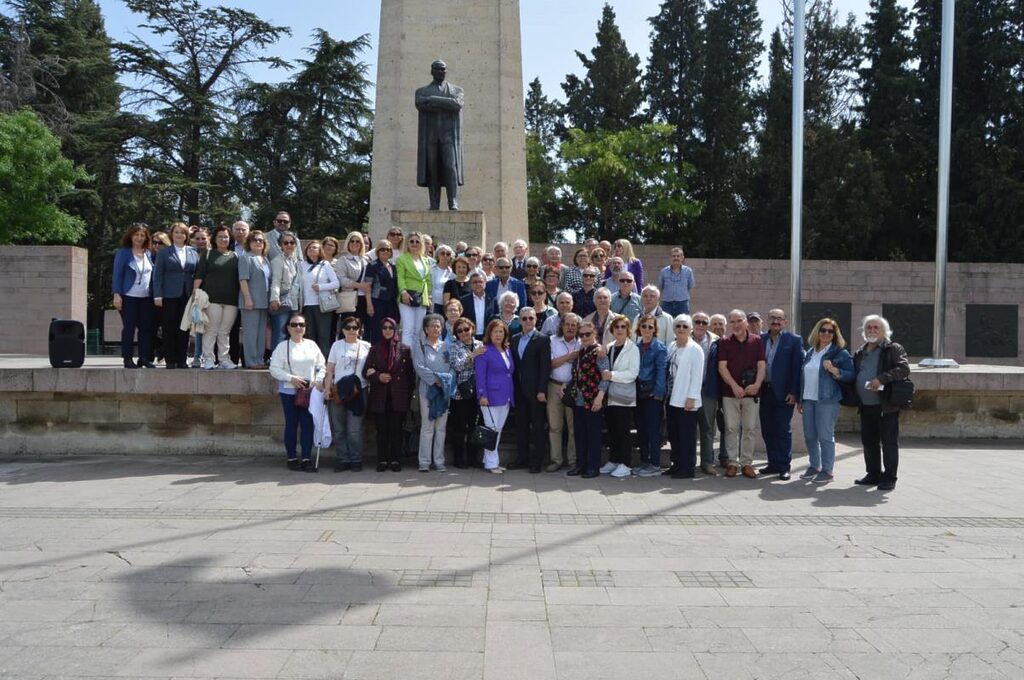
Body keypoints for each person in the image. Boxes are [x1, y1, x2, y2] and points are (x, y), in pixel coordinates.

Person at [852, 315, 910, 491]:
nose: (872, 330)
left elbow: (903, 368)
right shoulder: (860, 352)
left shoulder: (893, 349)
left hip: (886, 405)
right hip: (866, 405)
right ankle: (873, 474)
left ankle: (889, 477)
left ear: (884, 331)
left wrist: (881, 379)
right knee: (869, 442)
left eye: (876, 327)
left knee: (889, 443)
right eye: (868, 327)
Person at [798, 317, 855, 485]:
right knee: (809, 436)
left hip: (827, 400)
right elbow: (803, 377)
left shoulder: (840, 352)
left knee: (825, 436)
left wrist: (834, 370)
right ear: (818, 332)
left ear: (835, 334)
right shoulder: (810, 352)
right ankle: (814, 466)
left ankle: (827, 470)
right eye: (823, 330)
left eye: (830, 331)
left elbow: (851, 375)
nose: (826, 334)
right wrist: (801, 398)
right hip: (808, 399)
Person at [268, 314, 326, 472]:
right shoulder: (282, 346)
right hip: (289, 390)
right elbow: (274, 368)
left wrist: (317, 380)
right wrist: (290, 378)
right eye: (294, 325)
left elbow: (322, 365)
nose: (298, 328)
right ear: (288, 328)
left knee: (308, 425)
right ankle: (292, 457)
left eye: (301, 324)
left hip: (309, 391)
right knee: (291, 425)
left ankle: (306, 458)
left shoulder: (312, 345)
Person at [717, 309, 766, 478]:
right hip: (730, 393)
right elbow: (722, 367)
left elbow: (761, 365)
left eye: (739, 321)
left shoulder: (757, 341)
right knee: (731, 428)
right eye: (733, 322)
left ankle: (746, 463)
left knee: (749, 429)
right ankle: (732, 462)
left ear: (746, 322)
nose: (736, 325)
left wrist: (757, 384)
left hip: (752, 393)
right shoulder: (725, 342)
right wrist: (734, 386)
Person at [758, 308, 805, 480]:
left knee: (782, 430)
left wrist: (794, 392)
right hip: (764, 391)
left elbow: (797, 368)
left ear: (785, 322)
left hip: (785, 393)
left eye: (779, 318)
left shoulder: (793, 340)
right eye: (772, 318)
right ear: (767, 320)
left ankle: (784, 466)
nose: (775, 321)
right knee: (767, 429)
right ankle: (773, 464)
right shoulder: (760, 339)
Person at [364, 318, 414, 472]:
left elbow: (409, 376)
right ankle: (382, 460)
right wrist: (378, 376)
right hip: (381, 395)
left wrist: (409, 396)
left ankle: (395, 460)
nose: (387, 330)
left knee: (396, 429)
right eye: (384, 327)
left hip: (398, 396)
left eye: (390, 328)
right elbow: (365, 371)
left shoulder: (404, 349)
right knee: (382, 430)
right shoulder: (374, 349)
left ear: (395, 330)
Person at [415, 59, 464, 210]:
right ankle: (434, 204)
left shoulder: (456, 90)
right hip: (430, 137)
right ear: (432, 71)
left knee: (451, 168)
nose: (441, 72)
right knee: (432, 170)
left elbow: (456, 104)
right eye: (437, 69)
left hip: (449, 137)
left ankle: (453, 202)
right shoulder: (421, 91)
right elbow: (420, 104)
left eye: (443, 69)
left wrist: (433, 101)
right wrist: (445, 104)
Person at [325, 316, 371, 472]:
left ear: (359, 330)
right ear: (343, 329)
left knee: (354, 429)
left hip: (359, 390)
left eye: (355, 327)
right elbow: (330, 369)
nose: (352, 330)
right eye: (348, 327)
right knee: (338, 428)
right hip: (339, 390)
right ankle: (342, 459)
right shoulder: (336, 346)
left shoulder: (366, 346)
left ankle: (356, 459)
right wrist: (327, 389)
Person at [509, 307, 551, 473]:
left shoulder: (542, 339)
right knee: (521, 426)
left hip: (536, 392)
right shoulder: (514, 338)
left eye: (530, 318)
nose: (527, 321)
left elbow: (545, 367)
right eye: (524, 318)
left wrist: (542, 390)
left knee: (538, 427)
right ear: (519, 321)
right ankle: (522, 458)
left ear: (536, 320)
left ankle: (537, 461)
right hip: (519, 390)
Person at [193, 225, 241, 370]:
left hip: (231, 301)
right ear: (214, 238)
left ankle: (224, 359)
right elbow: (199, 276)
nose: (223, 239)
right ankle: (208, 359)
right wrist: (195, 295)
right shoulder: (208, 254)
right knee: (211, 330)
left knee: (224, 331)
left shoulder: (235, 256)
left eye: (226, 236)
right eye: (220, 236)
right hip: (211, 299)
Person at [153, 222, 198, 369]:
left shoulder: (193, 252)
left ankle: (182, 359)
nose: (179, 235)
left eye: (182, 232)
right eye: (176, 232)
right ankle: (170, 359)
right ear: (172, 235)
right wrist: (157, 295)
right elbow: (158, 275)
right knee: (169, 327)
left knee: (184, 328)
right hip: (169, 295)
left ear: (187, 235)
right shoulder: (164, 252)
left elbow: (196, 274)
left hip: (187, 294)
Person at [665, 314, 705, 479]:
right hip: (671, 396)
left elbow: (697, 375)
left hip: (686, 399)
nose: (681, 329)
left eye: (685, 326)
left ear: (690, 330)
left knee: (687, 435)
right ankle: (677, 464)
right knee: (674, 433)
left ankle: (687, 468)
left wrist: (692, 397)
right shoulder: (672, 346)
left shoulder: (695, 349)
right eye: (678, 326)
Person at [568, 320, 610, 478]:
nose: (584, 337)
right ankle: (580, 465)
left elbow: (605, 377)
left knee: (593, 435)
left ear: (594, 334)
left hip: (593, 400)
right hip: (578, 400)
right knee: (580, 435)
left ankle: (593, 467)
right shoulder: (580, 352)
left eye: (588, 334)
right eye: (581, 334)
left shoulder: (599, 352)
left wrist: (599, 398)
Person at [112, 223, 156, 369]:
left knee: (145, 329)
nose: (139, 238)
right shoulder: (123, 253)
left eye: (142, 235)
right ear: (131, 236)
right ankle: (127, 358)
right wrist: (116, 294)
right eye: (136, 235)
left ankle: (143, 358)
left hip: (146, 297)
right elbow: (117, 275)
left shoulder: (148, 253)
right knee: (129, 328)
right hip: (128, 296)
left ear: (146, 237)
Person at [601, 315, 640, 478]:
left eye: (623, 327)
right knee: (613, 430)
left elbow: (633, 374)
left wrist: (612, 375)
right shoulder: (609, 346)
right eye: (616, 327)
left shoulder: (633, 349)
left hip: (623, 397)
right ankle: (614, 460)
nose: (619, 330)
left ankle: (625, 463)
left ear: (628, 330)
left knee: (623, 432)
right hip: (610, 396)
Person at [411, 313, 451, 472]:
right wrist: (436, 380)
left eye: (438, 326)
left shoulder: (447, 346)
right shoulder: (420, 345)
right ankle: (424, 462)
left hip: (444, 392)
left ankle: (439, 461)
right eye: (432, 326)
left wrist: (445, 381)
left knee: (441, 428)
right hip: (427, 391)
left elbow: (451, 367)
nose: (435, 328)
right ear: (426, 329)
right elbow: (419, 367)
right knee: (427, 427)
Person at [444, 317, 486, 468]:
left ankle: (473, 458)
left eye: (466, 329)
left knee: (475, 426)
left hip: (478, 391)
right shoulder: (455, 347)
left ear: (472, 329)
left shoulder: (480, 344)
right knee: (460, 427)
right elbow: (457, 366)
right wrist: (473, 355)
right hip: (461, 393)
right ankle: (459, 458)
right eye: (459, 331)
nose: (464, 333)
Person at [475, 319, 515, 473]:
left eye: (501, 332)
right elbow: (480, 376)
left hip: (505, 395)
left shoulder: (507, 350)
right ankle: (492, 464)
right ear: (489, 334)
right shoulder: (484, 351)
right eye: (495, 332)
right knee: (491, 430)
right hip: (490, 396)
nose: (498, 335)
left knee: (497, 429)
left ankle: (488, 460)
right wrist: (482, 395)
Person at [633, 313, 668, 477]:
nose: (647, 329)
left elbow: (662, 371)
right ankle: (644, 461)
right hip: (638, 392)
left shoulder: (659, 347)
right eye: (644, 326)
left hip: (653, 393)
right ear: (639, 328)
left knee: (653, 430)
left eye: (650, 326)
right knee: (642, 430)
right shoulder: (637, 346)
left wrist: (658, 393)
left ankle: (655, 464)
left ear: (655, 330)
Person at [547, 313, 581, 472]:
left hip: (574, 388)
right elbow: (551, 364)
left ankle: (573, 461)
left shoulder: (582, 342)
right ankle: (556, 460)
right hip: (554, 387)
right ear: (562, 325)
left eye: (574, 325)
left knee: (574, 427)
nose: (570, 327)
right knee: (555, 426)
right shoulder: (552, 340)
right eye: (567, 324)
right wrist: (570, 357)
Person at [691, 311, 723, 475]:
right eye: (697, 322)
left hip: (707, 390)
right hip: (688, 390)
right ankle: (687, 461)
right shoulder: (683, 338)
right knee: (688, 427)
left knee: (708, 427)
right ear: (692, 323)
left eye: (704, 322)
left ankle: (707, 462)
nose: (700, 325)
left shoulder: (715, 341)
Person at [298, 240, 339, 361]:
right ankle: (311, 361)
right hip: (306, 305)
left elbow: (336, 283)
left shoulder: (325, 265)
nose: (311, 250)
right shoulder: (301, 265)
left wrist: (321, 287)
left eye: (315, 248)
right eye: (309, 248)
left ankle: (325, 362)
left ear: (320, 250)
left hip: (322, 305)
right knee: (310, 335)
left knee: (323, 336)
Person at [238, 230, 272, 369]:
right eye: (255, 240)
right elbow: (243, 279)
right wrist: (247, 298)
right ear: (249, 243)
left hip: (264, 301)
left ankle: (259, 360)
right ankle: (251, 361)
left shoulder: (266, 259)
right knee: (250, 333)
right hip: (250, 301)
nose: (258, 242)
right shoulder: (246, 257)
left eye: (261, 240)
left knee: (260, 333)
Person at [397, 232, 432, 347]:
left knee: (418, 330)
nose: (414, 244)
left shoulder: (425, 260)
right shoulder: (402, 259)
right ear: (407, 243)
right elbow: (400, 277)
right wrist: (403, 292)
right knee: (408, 329)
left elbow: (427, 279)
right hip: (407, 296)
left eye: (417, 241)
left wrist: (429, 296)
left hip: (422, 298)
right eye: (411, 241)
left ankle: (416, 357)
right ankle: (406, 358)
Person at [335, 231, 373, 333]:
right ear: (348, 243)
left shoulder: (367, 260)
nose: (355, 243)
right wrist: (360, 286)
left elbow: (369, 282)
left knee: (364, 329)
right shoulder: (342, 260)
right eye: (352, 241)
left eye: (358, 241)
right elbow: (341, 280)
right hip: (349, 298)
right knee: (349, 328)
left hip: (364, 299)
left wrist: (369, 302)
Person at [269, 231, 301, 351]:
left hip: (294, 302)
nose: (289, 245)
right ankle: (275, 359)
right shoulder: (277, 261)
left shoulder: (296, 261)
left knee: (293, 332)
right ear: (280, 245)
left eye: (292, 242)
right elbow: (276, 282)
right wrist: (274, 299)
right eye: (285, 242)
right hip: (281, 301)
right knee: (280, 332)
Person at [365, 241, 398, 343]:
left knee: (390, 329)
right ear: (378, 251)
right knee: (377, 330)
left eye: (388, 249)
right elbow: (367, 286)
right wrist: (369, 305)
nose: (385, 251)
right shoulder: (372, 265)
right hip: (377, 301)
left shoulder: (393, 267)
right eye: (382, 249)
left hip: (391, 303)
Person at [657, 247, 695, 317]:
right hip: (667, 304)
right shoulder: (664, 271)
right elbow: (660, 286)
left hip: (682, 303)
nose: (676, 258)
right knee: (666, 325)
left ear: (682, 258)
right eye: (674, 256)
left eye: (678, 256)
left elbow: (690, 286)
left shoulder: (688, 271)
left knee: (683, 324)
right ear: (670, 258)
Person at [460, 272, 493, 339]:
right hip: (470, 336)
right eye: (474, 282)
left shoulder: (492, 300)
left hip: (488, 336)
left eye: (480, 281)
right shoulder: (463, 300)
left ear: (485, 283)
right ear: (471, 285)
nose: (478, 284)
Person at [429, 245, 455, 313]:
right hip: (434, 303)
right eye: (442, 253)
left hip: (447, 305)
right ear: (438, 255)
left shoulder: (452, 273)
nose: (445, 256)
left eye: (448, 254)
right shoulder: (431, 270)